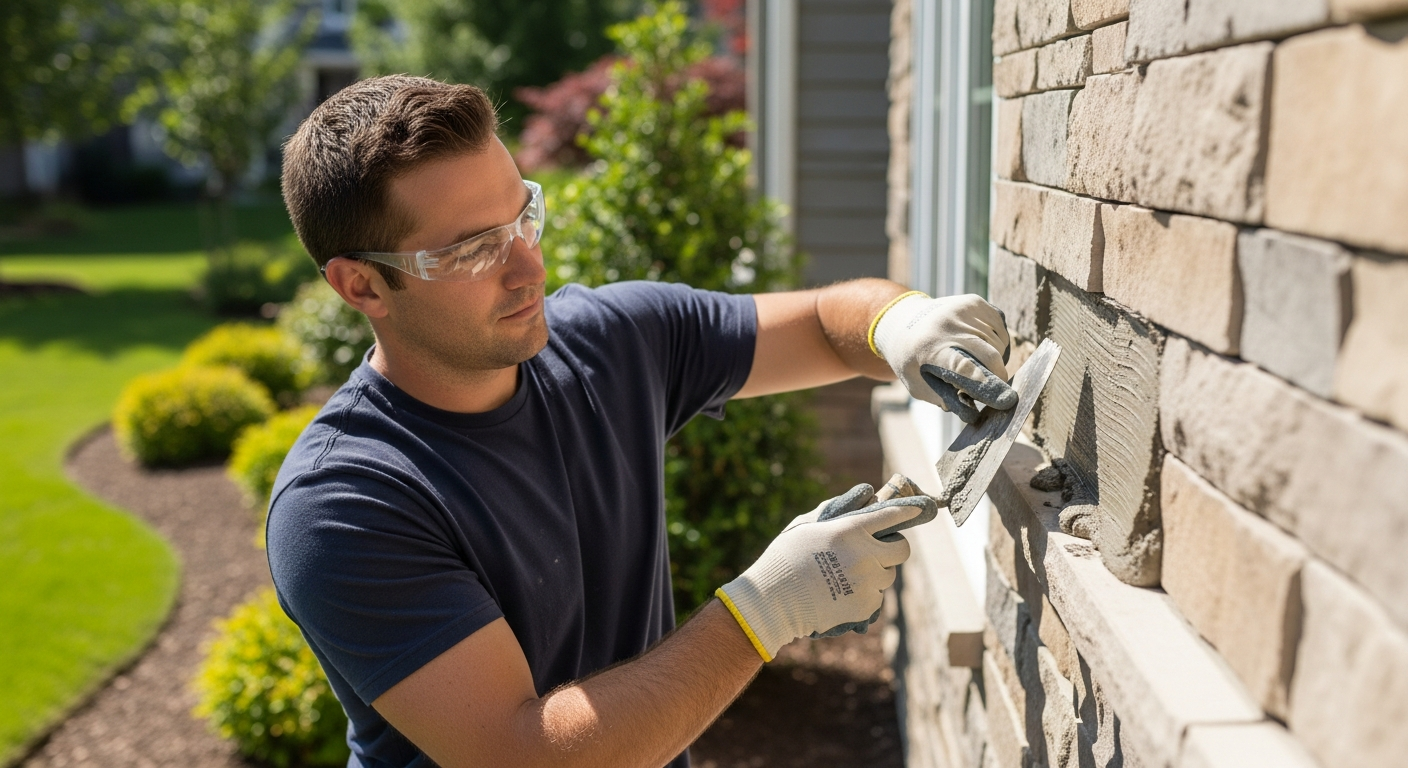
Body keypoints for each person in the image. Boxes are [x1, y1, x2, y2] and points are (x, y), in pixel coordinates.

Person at [269, 75, 1014, 768]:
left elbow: (823, 323)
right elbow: (525, 755)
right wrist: (768, 608)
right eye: (473, 250)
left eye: (523, 215)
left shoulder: (608, 342)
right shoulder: (343, 504)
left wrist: (903, 327)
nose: (528, 266)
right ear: (361, 284)